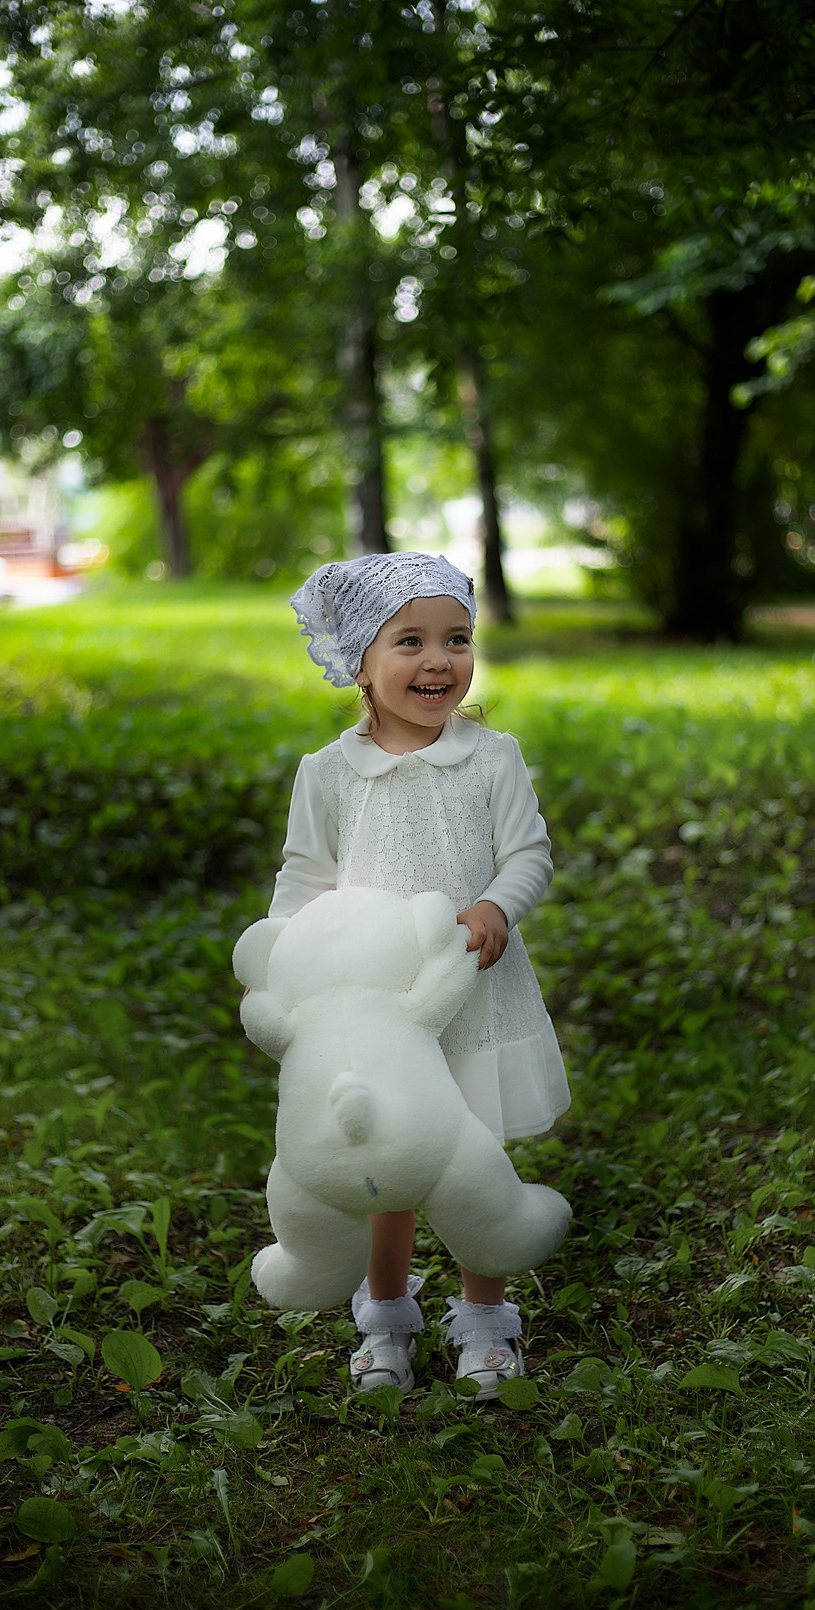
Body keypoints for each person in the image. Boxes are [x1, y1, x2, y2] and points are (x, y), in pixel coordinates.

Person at [266, 551, 570, 1399]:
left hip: (473, 993)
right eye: (410, 641)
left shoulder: (491, 756)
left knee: (472, 1159)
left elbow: (529, 854)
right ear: (357, 661)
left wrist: (497, 907)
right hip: (372, 1013)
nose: (438, 660)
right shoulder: (328, 774)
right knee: (388, 1163)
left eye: (457, 639)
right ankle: (387, 1315)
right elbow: (302, 880)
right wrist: (281, 961)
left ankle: (484, 1320)